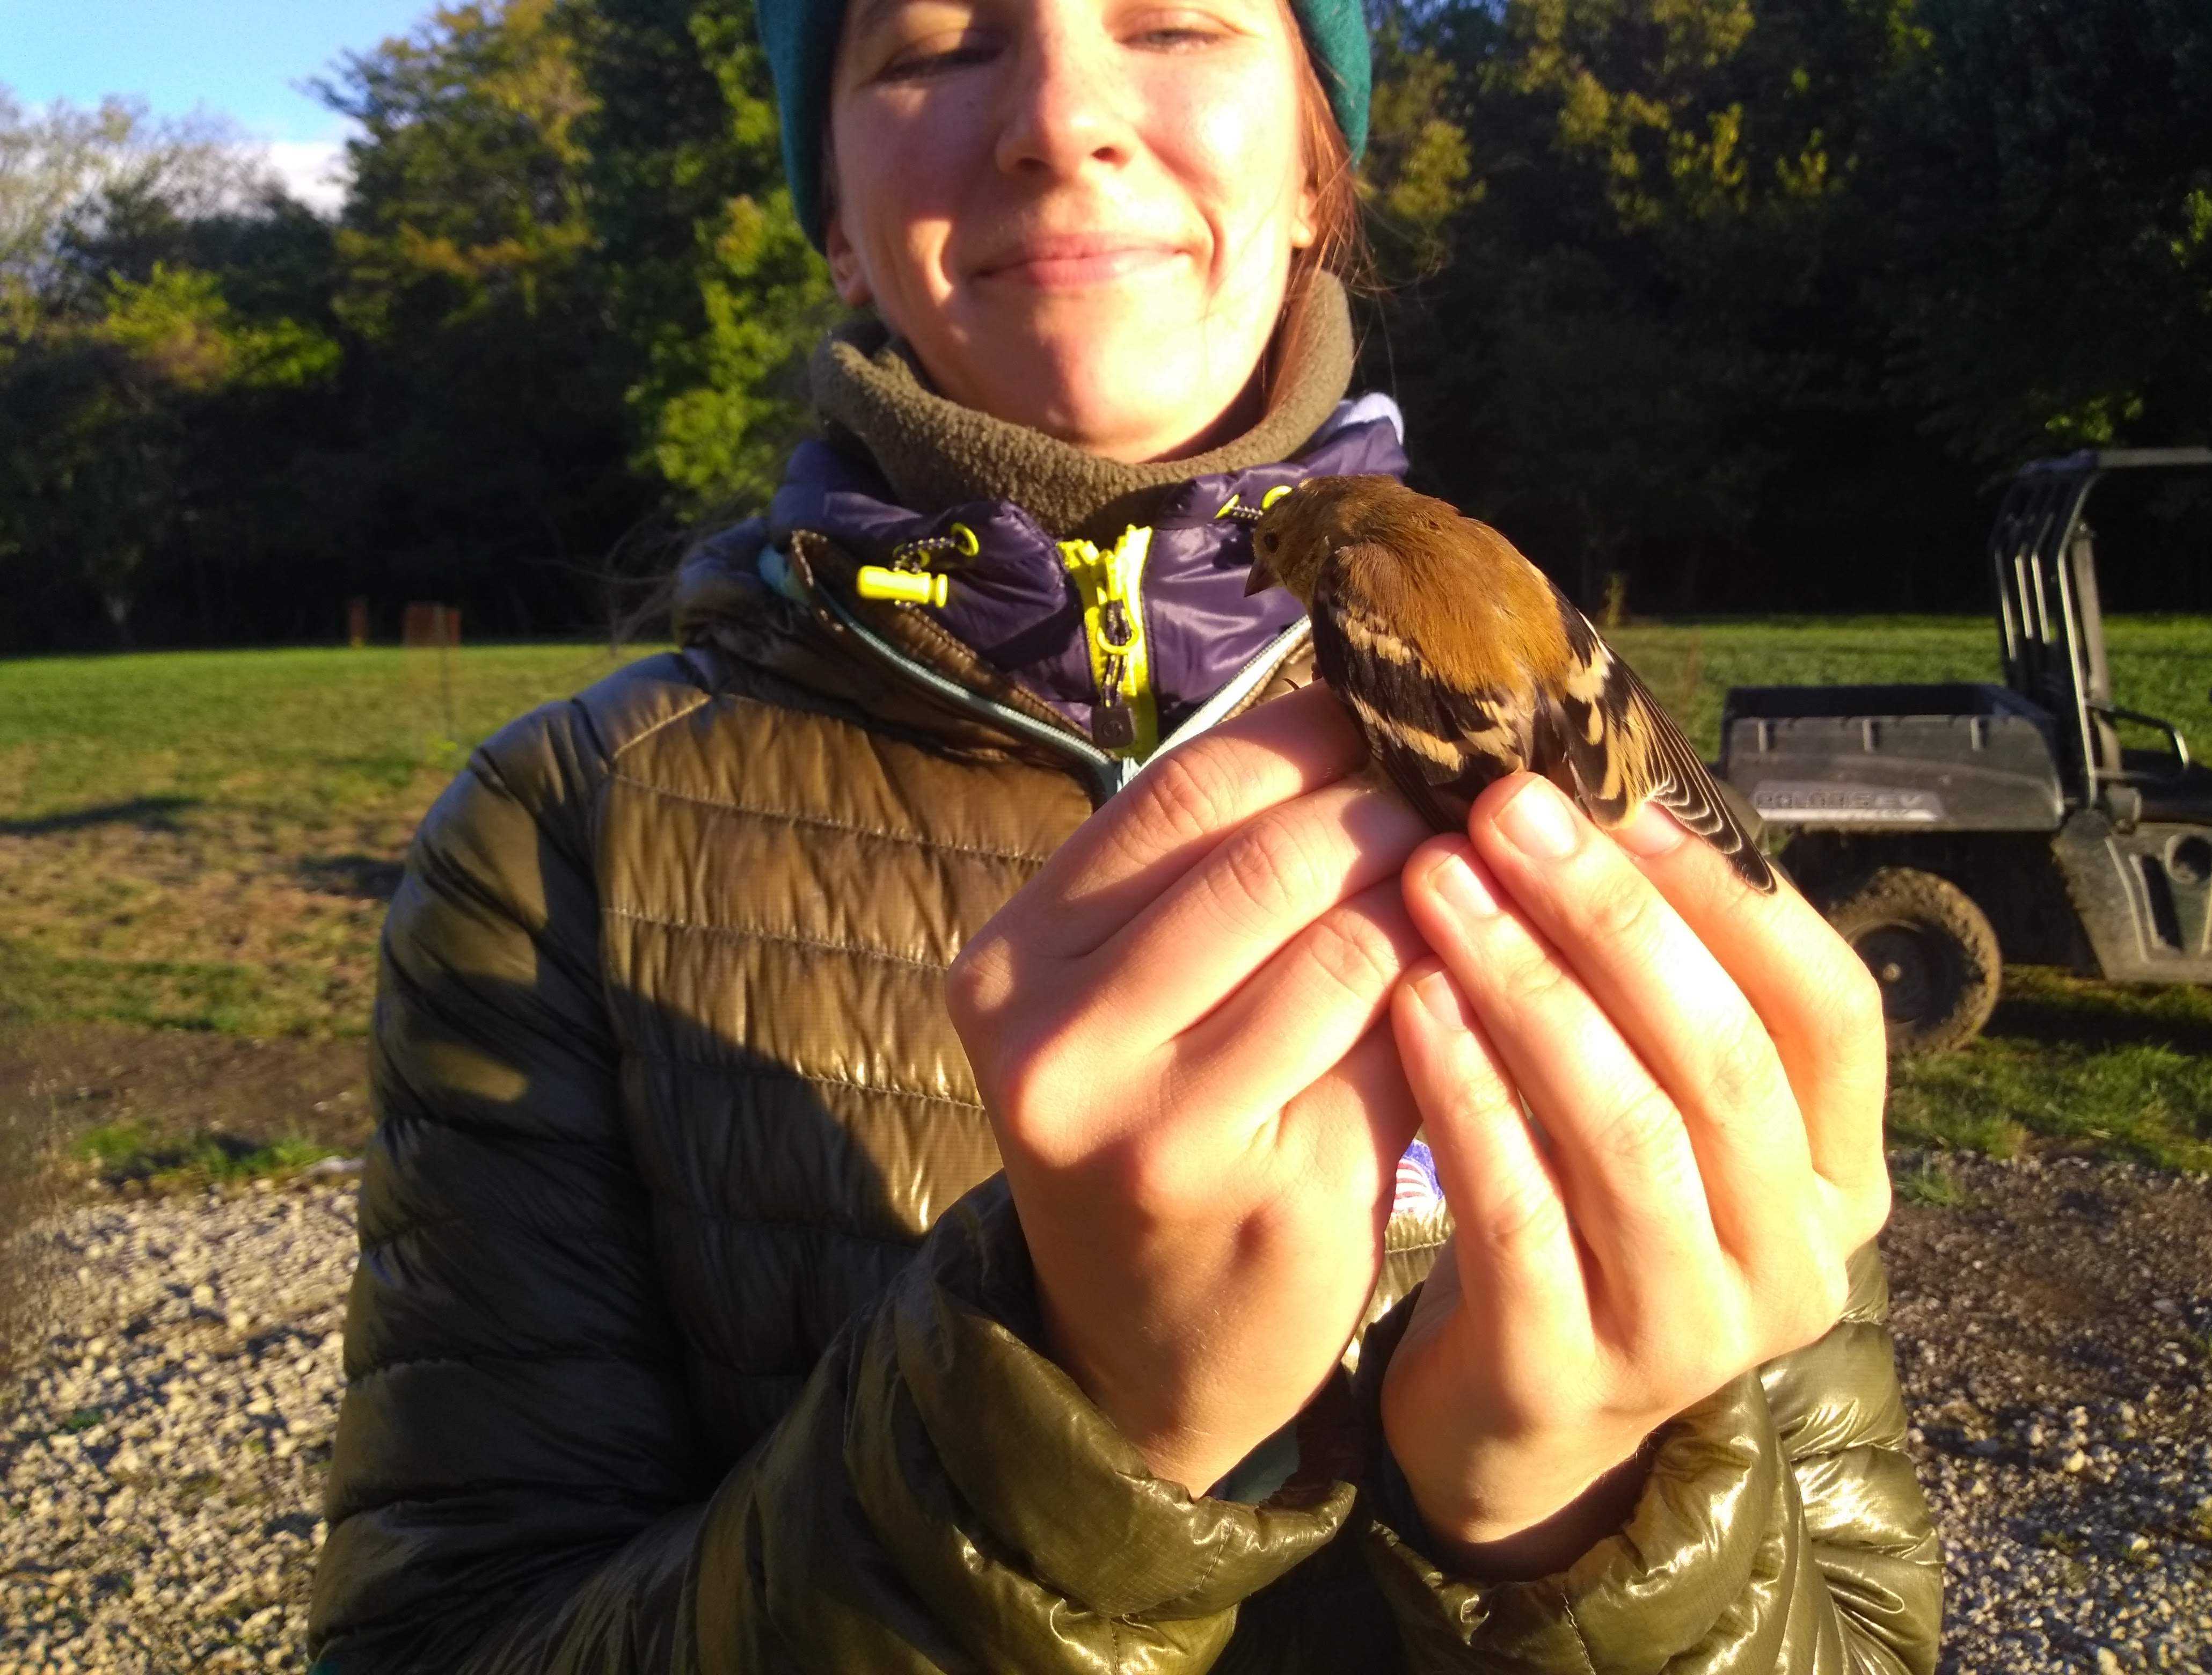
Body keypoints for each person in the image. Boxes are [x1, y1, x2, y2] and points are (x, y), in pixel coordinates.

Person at [307, 0, 1944, 1666]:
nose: (1060, 116)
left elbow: (1873, 1632)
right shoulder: (558, 836)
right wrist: (1058, 1443)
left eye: (1173, 20)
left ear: (1321, 173)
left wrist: (1583, 1521)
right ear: (836, 227)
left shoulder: (1559, 707)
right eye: (935, 45)